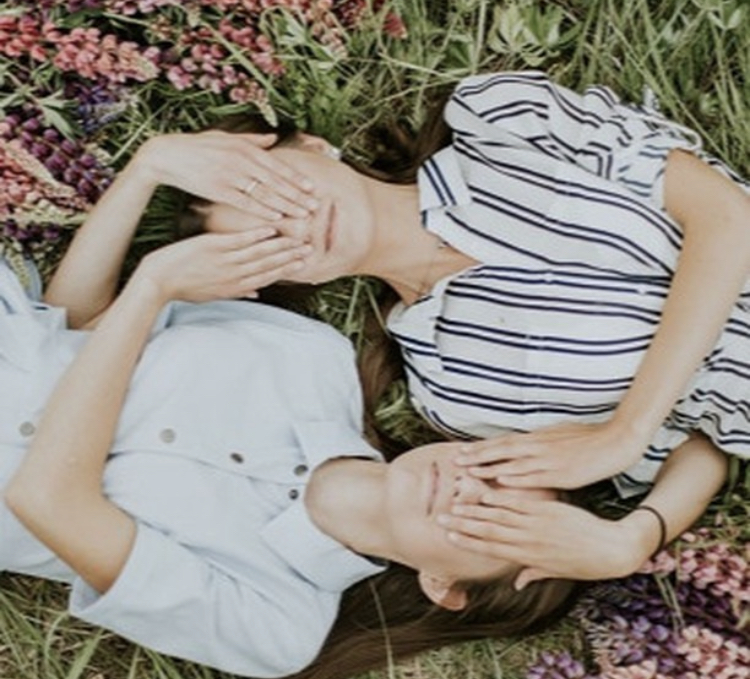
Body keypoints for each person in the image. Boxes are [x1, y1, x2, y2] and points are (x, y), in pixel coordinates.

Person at [0, 133, 577, 679]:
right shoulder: (311, 356)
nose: (465, 490)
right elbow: (78, 334)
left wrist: (151, 287)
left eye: (487, 522)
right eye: (496, 474)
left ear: (445, 587)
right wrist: (146, 169)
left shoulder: (278, 626)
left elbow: (46, 501)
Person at [177, 70, 747, 588]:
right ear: (269, 279)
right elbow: (697, 443)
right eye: (265, 244)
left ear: (310, 146)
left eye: (271, 191)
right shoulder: (452, 390)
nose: (294, 224)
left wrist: (625, 429)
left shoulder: (499, 119)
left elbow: (726, 216)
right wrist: (636, 537)